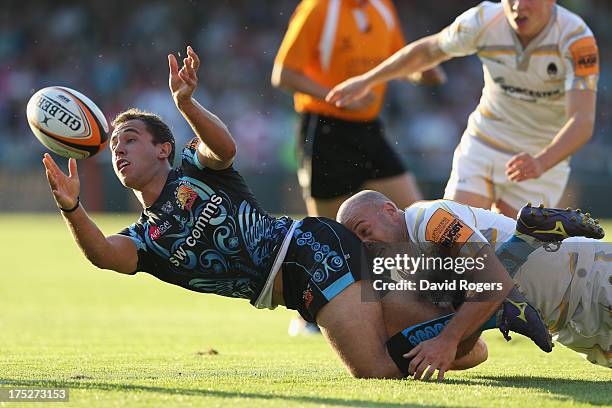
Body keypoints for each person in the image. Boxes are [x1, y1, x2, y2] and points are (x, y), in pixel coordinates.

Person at [42, 46, 548, 381]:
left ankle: (486, 290)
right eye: (114, 148)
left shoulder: (193, 170)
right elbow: (106, 255)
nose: (119, 150)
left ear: (164, 149)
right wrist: (72, 206)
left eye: (131, 140)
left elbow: (224, 146)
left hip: (305, 253)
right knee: (452, 352)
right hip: (296, 285)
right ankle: (491, 291)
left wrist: (187, 103)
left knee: (373, 371)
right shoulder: (148, 239)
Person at [327, 0, 599, 218]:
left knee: (508, 256)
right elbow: (429, 50)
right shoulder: (484, 20)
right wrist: (368, 80)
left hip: (540, 155)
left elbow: (582, 121)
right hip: (485, 142)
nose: (518, 6)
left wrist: (541, 161)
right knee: (454, 235)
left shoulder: (576, 40)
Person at [272, 0, 445, 335]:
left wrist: (420, 71)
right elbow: (282, 74)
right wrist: (337, 95)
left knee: (414, 214)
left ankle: (423, 305)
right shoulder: (319, 9)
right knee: (328, 234)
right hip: (324, 128)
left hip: (369, 129)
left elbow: (395, 61)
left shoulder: (382, 9)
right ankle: (311, 314)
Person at [336, 190, 610, 368]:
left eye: (364, 230)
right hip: (569, 324)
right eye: (357, 243)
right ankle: (511, 298)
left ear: (389, 210)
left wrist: (447, 340)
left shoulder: (429, 217)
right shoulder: (409, 268)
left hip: (589, 276)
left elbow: (493, 280)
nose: (365, 243)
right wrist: (452, 337)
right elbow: (473, 347)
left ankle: (522, 241)